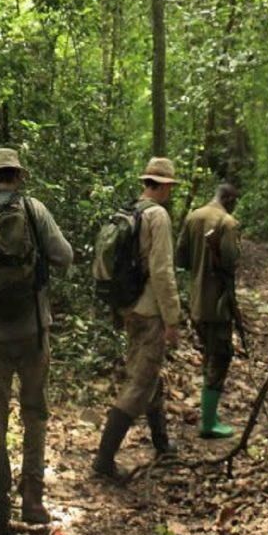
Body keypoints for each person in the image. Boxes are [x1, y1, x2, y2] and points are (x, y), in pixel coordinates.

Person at [0, 148, 73, 535]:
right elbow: (64, 255)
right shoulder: (35, 210)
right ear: (18, 176)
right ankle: (33, 502)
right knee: (34, 414)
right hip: (34, 331)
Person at [93, 157, 182, 481]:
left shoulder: (129, 211)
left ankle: (162, 443)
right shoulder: (157, 216)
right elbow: (162, 271)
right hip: (148, 310)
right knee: (140, 381)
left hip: (127, 306)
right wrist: (172, 318)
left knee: (147, 371)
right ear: (166, 186)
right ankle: (103, 460)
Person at [176, 183, 240, 438]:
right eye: (234, 200)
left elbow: (180, 260)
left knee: (209, 354)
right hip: (218, 306)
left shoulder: (193, 216)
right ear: (227, 197)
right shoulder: (228, 222)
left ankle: (208, 413)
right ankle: (209, 423)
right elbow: (230, 264)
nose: (235, 205)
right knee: (221, 356)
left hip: (196, 303)